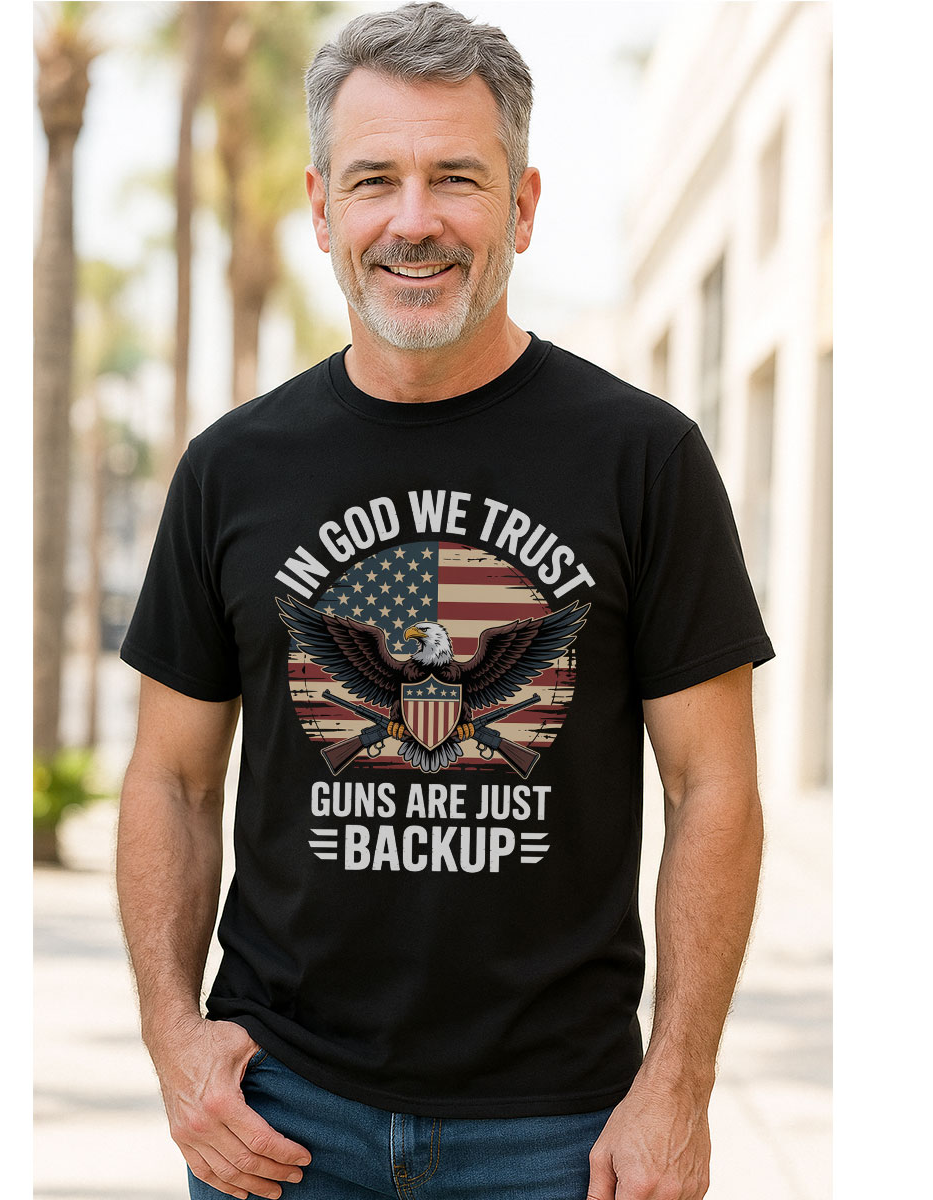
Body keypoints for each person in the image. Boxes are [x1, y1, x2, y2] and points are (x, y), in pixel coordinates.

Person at [116, 4, 774, 1199]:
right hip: (281, 1116)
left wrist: (676, 1085)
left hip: (560, 1131)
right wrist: (173, 1040)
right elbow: (170, 777)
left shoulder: (644, 458)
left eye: (456, 178)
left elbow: (712, 784)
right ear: (322, 210)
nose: (412, 220)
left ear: (520, 207)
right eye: (375, 180)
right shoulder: (231, 470)